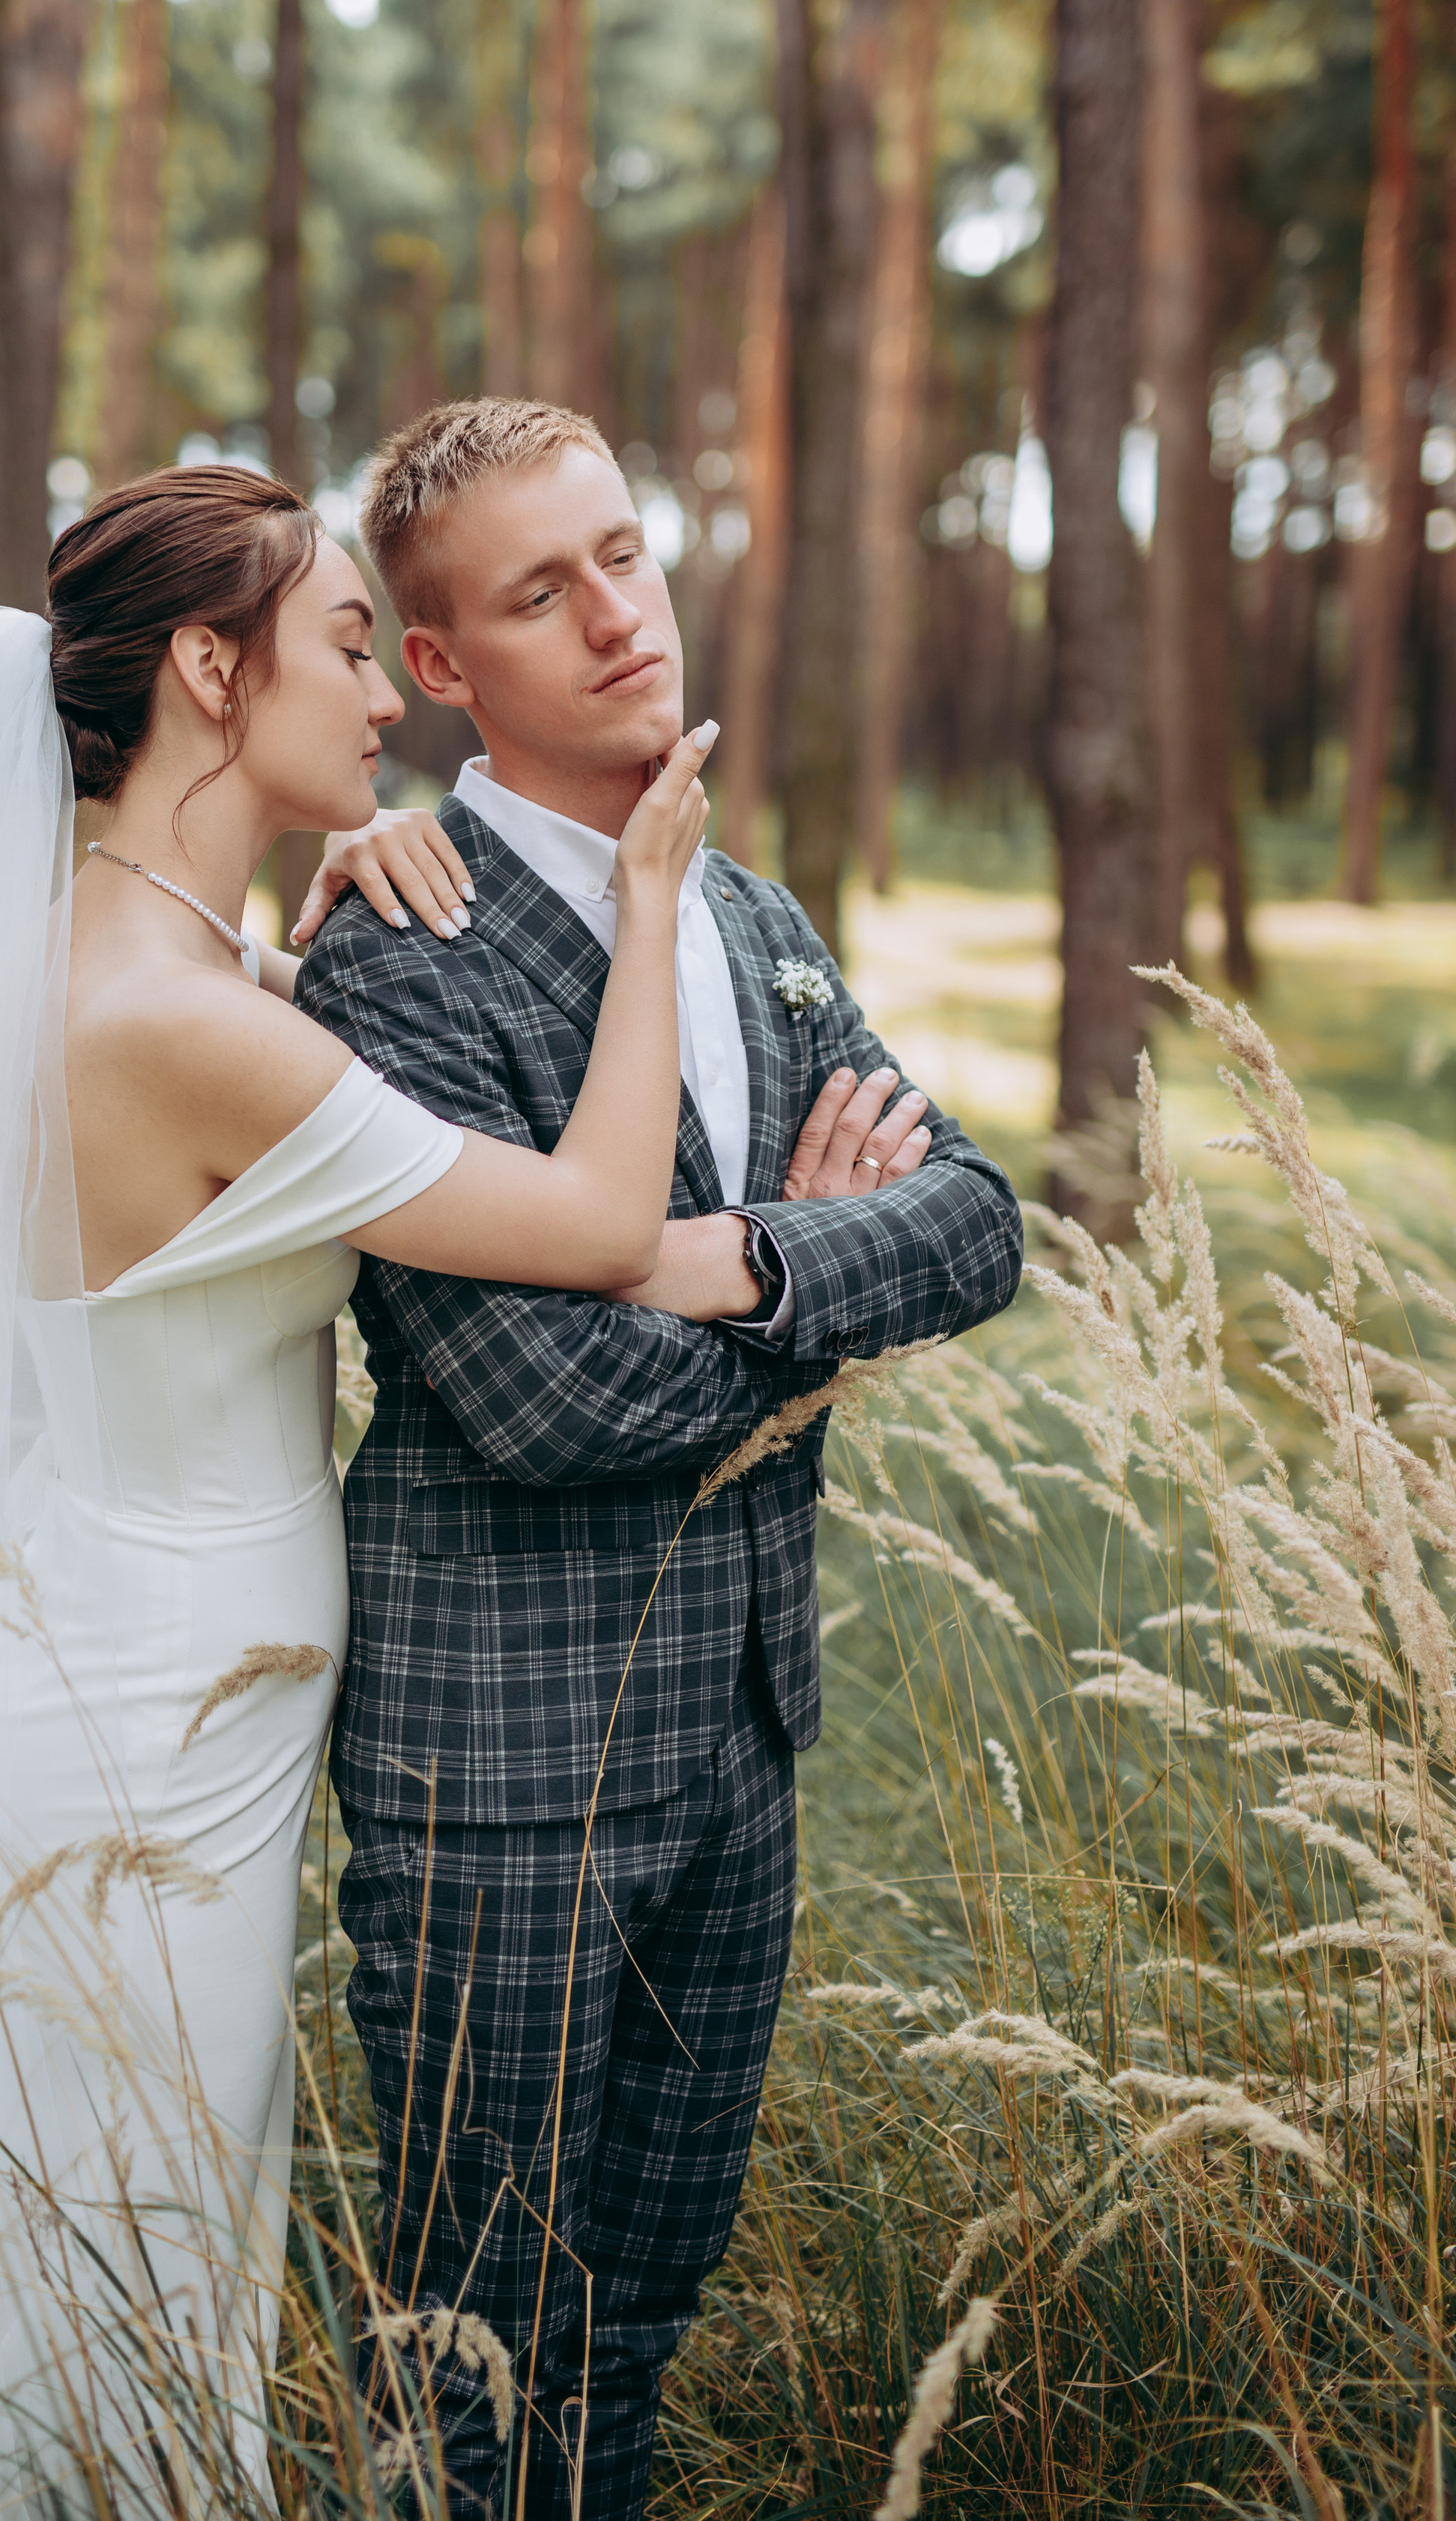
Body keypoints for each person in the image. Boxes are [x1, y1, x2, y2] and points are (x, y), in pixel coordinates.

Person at [0, 462, 716, 2518]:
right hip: (147, 1759)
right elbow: (605, 1211)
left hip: (121, 1686)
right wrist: (644, 900)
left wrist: (329, 918)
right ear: (213, 667)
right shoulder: (184, 1027)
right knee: (115, 2281)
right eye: (349, 647)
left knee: (74, 2258)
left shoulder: (138, 976)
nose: (387, 702)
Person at [294, 397, 1027, 2521]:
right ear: (442, 669)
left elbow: (973, 1226)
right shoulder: (391, 958)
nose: (623, 616)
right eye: (544, 591)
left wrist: (709, 1259)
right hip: (503, 1770)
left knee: (638, 2329)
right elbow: (545, 1408)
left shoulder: (748, 908)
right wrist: (821, 1294)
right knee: (473, 2355)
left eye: (626, 551)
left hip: (737, 1734)